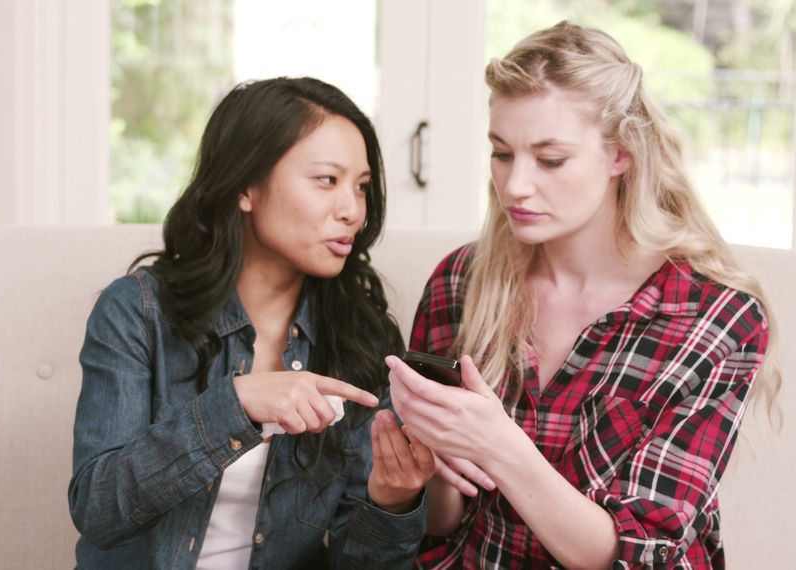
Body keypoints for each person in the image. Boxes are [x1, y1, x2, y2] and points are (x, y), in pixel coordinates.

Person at [387, 21, 781, 569]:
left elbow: (637, 556)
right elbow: (441, 522)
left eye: (550, 160)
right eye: (502, 153)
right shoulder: (461, 283)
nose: (516, 185)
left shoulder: (715, 318)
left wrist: (501, 447)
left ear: (620, 154)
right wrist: (425, 469)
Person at [68, 77, 435, 569]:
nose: (352, 210)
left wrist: (391, 502)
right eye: (327, 180)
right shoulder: (137, 312)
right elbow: (98, 508)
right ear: (246, 186)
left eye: (362, 188)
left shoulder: (362, 337)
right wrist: (236, 405)